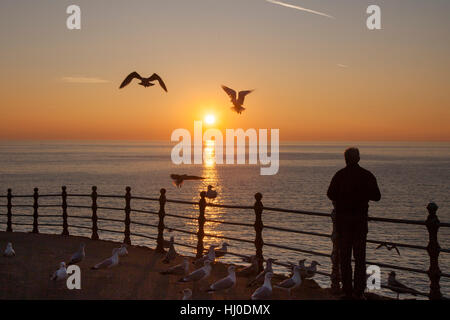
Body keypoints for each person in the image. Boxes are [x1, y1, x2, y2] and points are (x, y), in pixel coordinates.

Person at [327, 147, 381, 299]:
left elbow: (330, 194)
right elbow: (377, 196)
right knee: (359, 258)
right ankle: (359, 292)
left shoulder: (340, 175)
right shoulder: (366, 175)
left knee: (344, 258)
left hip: (343, 223)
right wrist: (363, 195)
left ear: (345, 159)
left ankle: (347, 291)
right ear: (358, 158)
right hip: (359, 223)